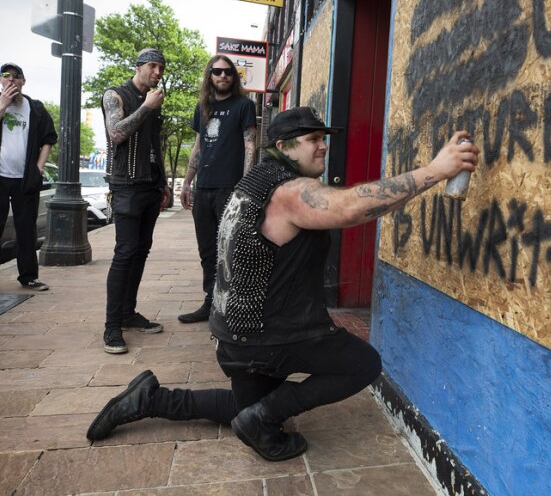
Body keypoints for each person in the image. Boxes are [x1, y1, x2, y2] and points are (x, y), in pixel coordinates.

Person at [86, 106, 479, 461]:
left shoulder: (255, 181)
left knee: (242, 409)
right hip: (267, 336)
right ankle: (263, 419)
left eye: (323, 139)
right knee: (363, 364)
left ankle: (149, 399)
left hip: (236, 336)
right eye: (312, 140)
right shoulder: (288, 190)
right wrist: (436, 171)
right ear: (283, 146)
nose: (322, 147)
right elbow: (351, 207)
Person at [99, 48, 172, 354]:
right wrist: (145, 107)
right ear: (139, 66)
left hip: (149, 186)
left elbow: (155, 145)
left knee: (141, 252)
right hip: (125, 186)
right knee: (125, 252)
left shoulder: (154, 101)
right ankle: (111, 326)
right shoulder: (115, 95)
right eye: (153, 66)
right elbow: (116, 134)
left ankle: (128, 313)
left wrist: (164, 182)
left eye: (161, 68)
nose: (158, 72)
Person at [177, 54, 257, 324]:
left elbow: (250, 146)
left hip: (230, 189)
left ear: (233, 77)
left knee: (231, 249)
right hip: (204, 189)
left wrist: (244, 187)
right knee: (207, 251)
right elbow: (199, 148)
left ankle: (232, 306)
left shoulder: (243, 105)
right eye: (217, 71)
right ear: (209, 75)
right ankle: (210, 303)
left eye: (228, 72)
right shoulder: (203, 107)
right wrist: (187, 182)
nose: (223, 76)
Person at [0, 63, 57, 296]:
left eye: (17, 77)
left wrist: (38, 168)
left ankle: (29, 277)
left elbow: (48, 139)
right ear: (0, 80)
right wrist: (2, 106)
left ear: (23, 82)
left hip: (24, 180)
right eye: (6, 76)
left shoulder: (35, 108)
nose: (12, 80)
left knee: (26, 231)